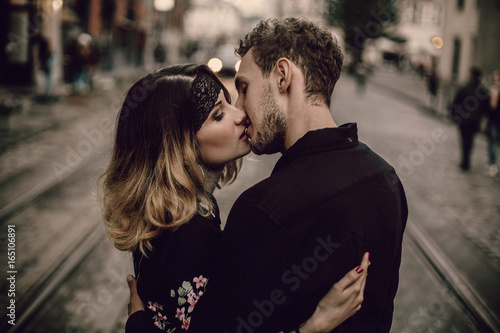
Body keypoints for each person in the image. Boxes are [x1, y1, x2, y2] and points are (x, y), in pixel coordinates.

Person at [100, 64, 369, 332]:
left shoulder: (178, 211)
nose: (240, 114)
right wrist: (316, 325)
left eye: (229, 103)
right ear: (179, 146)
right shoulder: (188, 232)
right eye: (218, 115)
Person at [178, 17, 406, 332]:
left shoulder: (262, 211)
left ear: (283, 76)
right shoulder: (387, 181)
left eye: (244, 89)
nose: (241, 110)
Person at [449, 67, 490, 171]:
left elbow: (456, 103)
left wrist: (454, 115)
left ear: (472, 76)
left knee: (464, 140)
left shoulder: (464, 88)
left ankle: (465, 160)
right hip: (475, 121)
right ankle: (466, 159)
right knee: (470, 141)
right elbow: (486, 108)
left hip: (464, 120)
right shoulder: (482, 91)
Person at [486, 70, 500, 176]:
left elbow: (493, 106)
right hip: (495, 120)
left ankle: (492, 164)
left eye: (495, 76)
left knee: (493, 142)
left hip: (494, 120)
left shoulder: (495, 90)